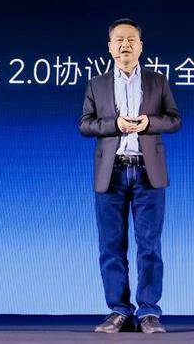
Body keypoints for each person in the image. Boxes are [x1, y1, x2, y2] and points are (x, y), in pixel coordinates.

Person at [78, 18, 182, 334]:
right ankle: (119, 311)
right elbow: (85, 124)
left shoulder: (157, 81)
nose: (125, 44)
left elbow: (174, 120)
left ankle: (149, 312)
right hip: (111, 173)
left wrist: (148, 123)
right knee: (111, 246)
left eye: (131, 40)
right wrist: (115, 125)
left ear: (140, 46)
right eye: (119, 40)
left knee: (149, 246)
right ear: (110, 47)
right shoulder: (96, 84)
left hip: (148, 173)